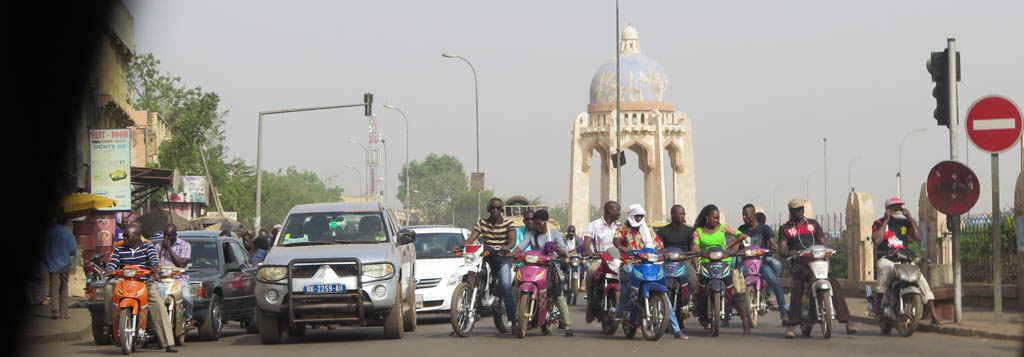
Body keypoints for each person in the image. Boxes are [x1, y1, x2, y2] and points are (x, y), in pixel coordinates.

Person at [779, 199, 857, 338]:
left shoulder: (814, 224)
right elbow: (782, 248)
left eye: (802, 209)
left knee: (834, 282)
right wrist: (789, 252)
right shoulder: (785, 229)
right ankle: (791, 324)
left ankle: (848, 321)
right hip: (800, 262)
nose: (800, 212)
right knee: (798, 284)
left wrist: (827, 250)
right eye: (797, 209)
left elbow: (822, 241)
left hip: (817, 259)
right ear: (790, 211)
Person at [609, 204, 687, 339]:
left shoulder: (647, 228)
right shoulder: (623, 227)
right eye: (636, 216)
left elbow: (658, 245)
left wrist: (663, 253)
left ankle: (676, 330)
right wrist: (622, 247)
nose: (639, 218)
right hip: (630, 263)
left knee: (664, 293)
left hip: (649, 264)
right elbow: (616, 239)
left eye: (641, 216)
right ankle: (620, 310)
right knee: (631, 276)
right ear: (631, 215)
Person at [104, 225, 177, 352]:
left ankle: (168, 342)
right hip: (123, 281)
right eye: (124, 235)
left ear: (137, 236)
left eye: (128, 236)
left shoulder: (148, 247)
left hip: (144, 282)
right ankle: (110, 323)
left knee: (159, 307)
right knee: (109, 288)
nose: (124, 238)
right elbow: (113, 262)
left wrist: (154, 267)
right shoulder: (119, 248)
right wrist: (109, 269)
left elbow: (154, 260)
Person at [870, 197, 943, 325]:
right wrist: (886, 220)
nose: (898, 209)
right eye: (894, 207)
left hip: (903, 258)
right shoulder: (878, 223)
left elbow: (919, 237)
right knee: (886, 272)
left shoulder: (904, 223)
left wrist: (910, 218)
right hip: (886, 258)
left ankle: (933, 314)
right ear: (888, 210)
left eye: (899, 207)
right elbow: (877, 240)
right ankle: (877, 307)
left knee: (920, 278)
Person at [689, 204, 752, 334]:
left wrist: (728, 246)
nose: (717, 220)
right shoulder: (698, 231)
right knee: (699, 289)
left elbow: (742, 235)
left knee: (737, 292)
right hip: (706, 263)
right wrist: (696, 254)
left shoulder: (723, 229)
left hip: (724, 262)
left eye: (718, 218)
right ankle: (703, 315)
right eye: (714, 218)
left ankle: (745, 323)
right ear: (707, 217)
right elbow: (695, 247)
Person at [513, 209, 575, 336]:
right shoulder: (530, 235)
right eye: (534, 223)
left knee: (558, 295)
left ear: (545, 222)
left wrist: (555, 248)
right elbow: (521, 246)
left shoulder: (555, 234)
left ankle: (568, 325)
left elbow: (565, 252)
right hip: (534, 267)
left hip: (551, 268)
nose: (535, 226)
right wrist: (515, 253)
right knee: (515, 284)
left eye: (538, 223)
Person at [462, 197, 518, 329]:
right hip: (486, 256)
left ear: (501, 209)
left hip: (502, 257)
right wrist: (460, 245)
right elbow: (471, 239)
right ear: (489, 209)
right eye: (493, 208)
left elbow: (512, 241)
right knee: (470, 274)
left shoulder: (509, 224)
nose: (495, 210)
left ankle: (513, 319)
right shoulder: (482, 223)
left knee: (505, 285)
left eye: (498, 208)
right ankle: (467, 314)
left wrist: (506, 247)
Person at [736, 204, 788, 323]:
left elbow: (771, 242)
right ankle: (726, 314)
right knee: (732, 281)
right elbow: (737, 245)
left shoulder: (765, 229)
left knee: (775, 283)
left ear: (753, 214)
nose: (744, 217)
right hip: (746, 263)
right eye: (743, 215)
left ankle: (784, 314)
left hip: (761, 263)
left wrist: (773, 245)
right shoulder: (741, 229)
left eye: (746, 215)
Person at [583, 200, 621, 324]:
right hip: (599, 259)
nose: (619, 213)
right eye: (617, 210)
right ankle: (590, 304)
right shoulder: (594, 224)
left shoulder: (619, 226)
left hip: (616, 260)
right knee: (590, 273)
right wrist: (588, 250)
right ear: (610, 210)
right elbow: (587, 241)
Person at [154, 224, 193, 326]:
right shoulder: (158, 247)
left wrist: (169, 249)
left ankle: (188, 318)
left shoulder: (185, 245)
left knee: (186, 297)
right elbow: (154, 263)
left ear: (175, 235)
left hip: (179, 279)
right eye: (165, 235)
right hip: (163, 279)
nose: (166, 238)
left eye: (169, 236)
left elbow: (181, 264)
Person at [43, 214, 77, 319]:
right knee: (63, 288)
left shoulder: (48, 232)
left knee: (53, 288)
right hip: (65, 263)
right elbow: (73, 250)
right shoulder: (67, 233)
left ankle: (55, 311)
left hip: (52, 263)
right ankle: (64, 313)